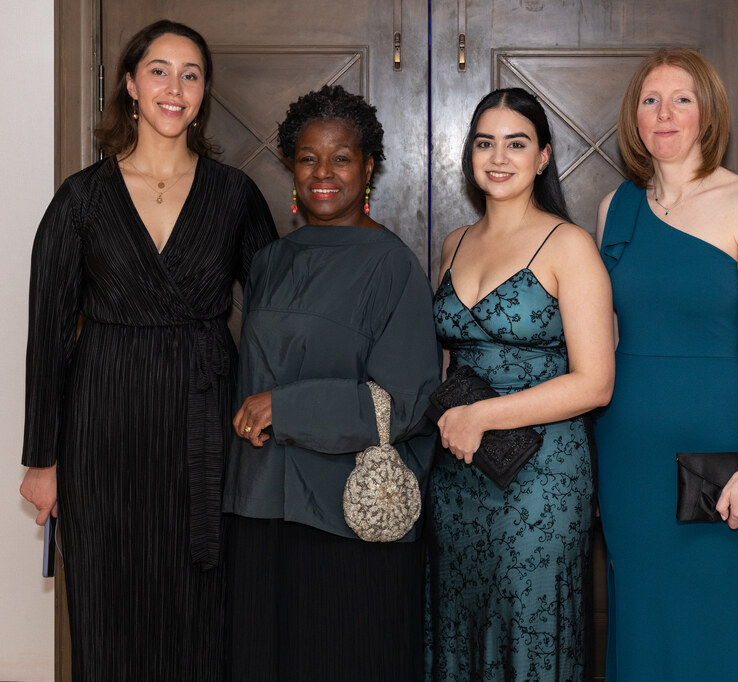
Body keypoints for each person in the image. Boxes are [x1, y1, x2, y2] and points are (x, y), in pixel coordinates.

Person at [17, 19, 277, 680]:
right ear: (131, 84)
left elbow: (276, 319)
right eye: (159, 71)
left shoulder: (234, 195)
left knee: (202, 609)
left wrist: (279, 411)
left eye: (191, 75)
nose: (175, 88)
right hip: (103, 426)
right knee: (109, 605)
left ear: (204, 92)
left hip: (205, 424)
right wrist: (43, 461)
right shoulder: (81, 199)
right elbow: (47, 335)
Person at [222, 84, 440, 681]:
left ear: (368, 168)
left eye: (341, 157)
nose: (323, 172)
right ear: (292, 169)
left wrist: (286, 407)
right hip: (262, 507)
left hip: (348, 515)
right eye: (308, 158)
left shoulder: (391, 264)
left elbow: (407, 403)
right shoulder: (270, 260)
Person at [593, 47, 738, 680]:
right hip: (629, 456)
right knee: (641, 619)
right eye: (650, 100)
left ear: (708, 113)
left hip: (719, 461)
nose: (664, 113)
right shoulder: (614, 208)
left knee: (713, 625)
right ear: (635, 116)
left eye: (682, 99)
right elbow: (607, 338)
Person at [428, 87, 615, 681]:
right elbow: (448, 364)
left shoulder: (570, 246)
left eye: (516, 143)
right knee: (460, 626)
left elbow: (595, 383)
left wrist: (482, 416)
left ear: (543, 156)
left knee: (530, 632)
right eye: (485, 143)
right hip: (456, 476)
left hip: (543, 479)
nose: (499, 157)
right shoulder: (454, 243)